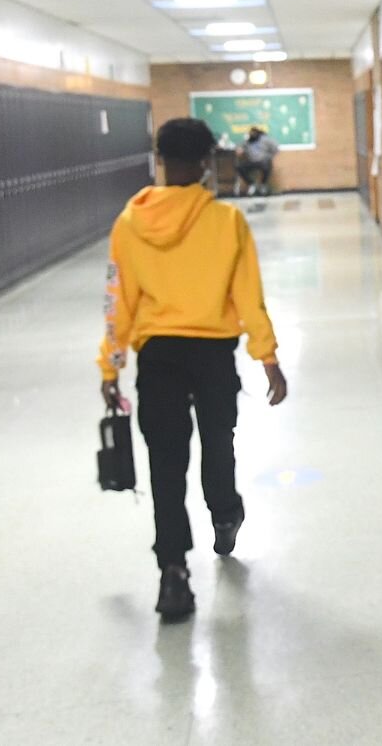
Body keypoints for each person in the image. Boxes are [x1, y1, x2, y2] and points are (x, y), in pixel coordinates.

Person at [98, 117, 289, 622]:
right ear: (206, 163)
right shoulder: (226, 223)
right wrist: (267, 357)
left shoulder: (128, 224)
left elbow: (118, 302)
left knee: (166, 461)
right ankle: (224, 516)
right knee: (217, 440)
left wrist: (111, 366)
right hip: (212, 355)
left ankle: (173, 573)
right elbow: (249, 297)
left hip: (157, 355)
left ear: (159, 159)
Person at [235, 125, 279, 196]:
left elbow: (275, 148)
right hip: (252, 161)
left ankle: (263, 185)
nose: (252, 135)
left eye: (254, 133)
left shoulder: (265, 139)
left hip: (263, 161)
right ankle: (251, 184)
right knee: (239, 167)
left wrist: (269, 156)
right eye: (251, 133)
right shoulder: (248, 141)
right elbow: (240, 147)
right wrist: (239, 149)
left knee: (266, 165)